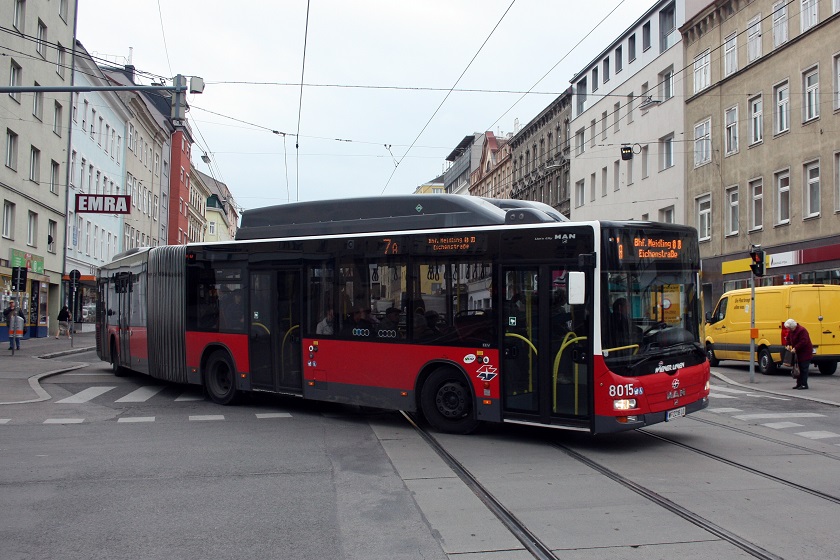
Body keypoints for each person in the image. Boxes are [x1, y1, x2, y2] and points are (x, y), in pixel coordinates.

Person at [785, 318, 813, 389]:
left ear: (792, 326)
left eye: (789, 328)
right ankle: (799, 384)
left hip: (805, 352)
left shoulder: (802, 330)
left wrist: (795, 348)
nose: (788, 330)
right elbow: (788, 339)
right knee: (798, 368)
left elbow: (804, 341)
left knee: (803, 368)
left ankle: (804, 384)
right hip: (798, 353)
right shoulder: (791, 331)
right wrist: (788, 345)